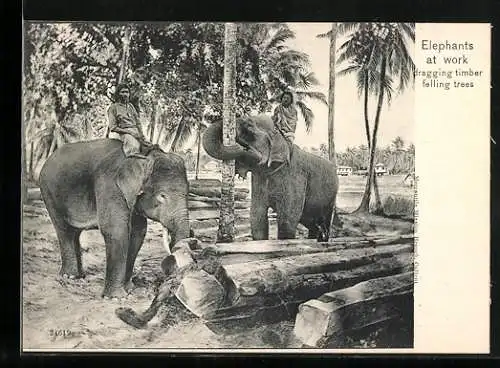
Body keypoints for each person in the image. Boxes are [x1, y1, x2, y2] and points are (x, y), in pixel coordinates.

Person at [107, 83, 147, 156]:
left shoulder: (130, 106)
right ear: (118, 94)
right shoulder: (113, 108)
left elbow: (138, 122)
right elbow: (113, 127)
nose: (125, 94)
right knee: (134, 147)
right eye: (122, 92)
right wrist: (130, 132)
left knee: (148, 146)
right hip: (122, 133)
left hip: (134, 131)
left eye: (127, 92)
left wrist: (141, 134)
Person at [269, 90, 298, 166]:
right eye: (284, 97)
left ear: (290, 100)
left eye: (287, 98)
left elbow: (293, 123)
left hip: (289, 133)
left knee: (288, 146)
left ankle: (287, 162)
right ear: (281, 99)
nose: (285, 99)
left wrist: (285, 130)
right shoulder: (278, 108)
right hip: (277, 130)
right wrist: (277, 124)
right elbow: (274, 120)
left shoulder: (294, 111)